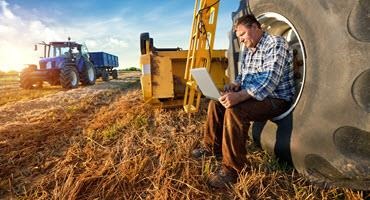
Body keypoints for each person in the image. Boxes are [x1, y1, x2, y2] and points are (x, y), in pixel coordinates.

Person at [192, 14, 295, 188]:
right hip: (254, 95)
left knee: (235, 111)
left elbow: (269, 81)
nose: (240, 40)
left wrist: (239, 96)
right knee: (216, 103)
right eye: (238, 37)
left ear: (256, 27)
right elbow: (244, 74)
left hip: (275, 98)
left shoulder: (276, 44)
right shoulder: (249, 48)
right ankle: (211, 148)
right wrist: (235, 84)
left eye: (242, 35)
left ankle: (233, 169)